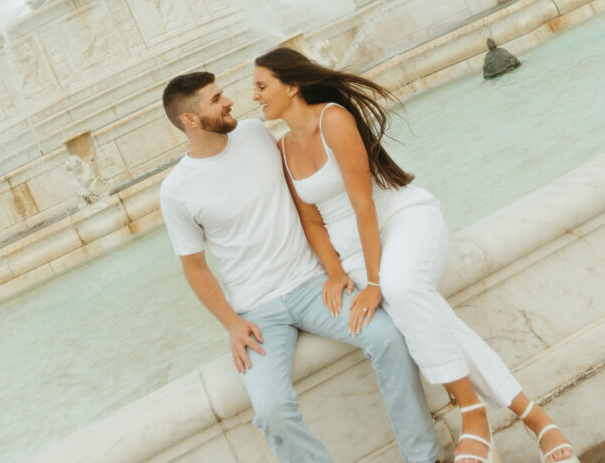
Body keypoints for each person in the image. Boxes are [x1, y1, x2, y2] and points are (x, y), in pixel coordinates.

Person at [253, 46, 580, 463]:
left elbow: (363, 204)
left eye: (262, 86)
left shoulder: (333, 118)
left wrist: (374, 284)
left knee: (401, 288)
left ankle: (473, 414)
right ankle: (535, 418)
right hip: (353, 253)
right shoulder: (283, 148)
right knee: (425, 311)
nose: (256, 96)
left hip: (400, 219)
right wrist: (336, 274)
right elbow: (312, 222)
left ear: (292, 85)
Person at [160, 70, 442, 463]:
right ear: (189, 120)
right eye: (215, 99)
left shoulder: (257, 134)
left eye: (221, 93)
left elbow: (308, 192)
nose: (228, 101)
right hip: (256, 313)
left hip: (313, 286)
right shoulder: (175, 191)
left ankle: (424, 457)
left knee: (388, 339)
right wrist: (231, 322)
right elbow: (194, 267)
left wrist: (337, 270)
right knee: (272, 411)